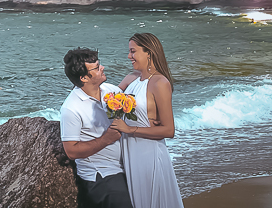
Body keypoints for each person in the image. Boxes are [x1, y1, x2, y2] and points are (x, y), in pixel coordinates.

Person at [111, 33, 183, 208]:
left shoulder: (160, 83)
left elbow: (168, 130)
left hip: (149, 154)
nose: (129, 56)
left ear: (148, 52)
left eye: (133, 51)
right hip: (129, 152)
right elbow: (108, 105)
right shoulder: (130, 79)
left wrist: (130, 129)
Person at [61, 47, 133, 208]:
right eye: (97, 67)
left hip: (127, 165)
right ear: (84, 78)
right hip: (101, 175)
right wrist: (106, 139)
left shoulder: (111, 91)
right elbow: (71, 151)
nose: (103, 68)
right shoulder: (71, 108)